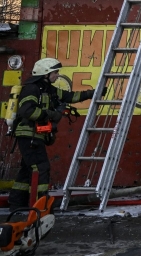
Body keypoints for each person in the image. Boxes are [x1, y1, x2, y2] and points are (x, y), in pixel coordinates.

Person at [8, 58, 94, 210]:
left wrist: (91, 93)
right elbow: (27, 111)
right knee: (41, 167)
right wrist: (50, 114)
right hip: (28, 134)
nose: (57, 75)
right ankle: (38, 204)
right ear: (45, 74)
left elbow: (69, 97)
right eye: (55, 72)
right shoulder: (32, 89)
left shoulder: (49, 89)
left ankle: (16, 202)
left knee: (28, 168)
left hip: (36, 135)